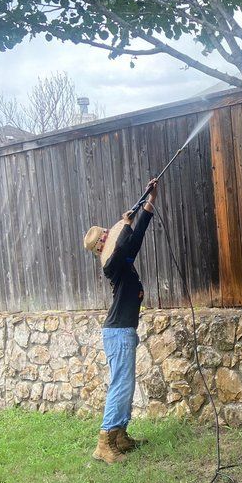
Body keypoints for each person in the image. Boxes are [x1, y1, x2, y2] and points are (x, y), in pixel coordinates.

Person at [82, 178, 158, 463]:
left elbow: (134, 238)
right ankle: (105, 442)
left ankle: (120, 436)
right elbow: (126, 238)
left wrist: (150, 201)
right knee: (121, 384)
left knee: (126, 383)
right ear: (104, 243)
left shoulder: (123, 259)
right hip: (118, 332)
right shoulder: (110, 264)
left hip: (124, 331)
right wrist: (125, 224)